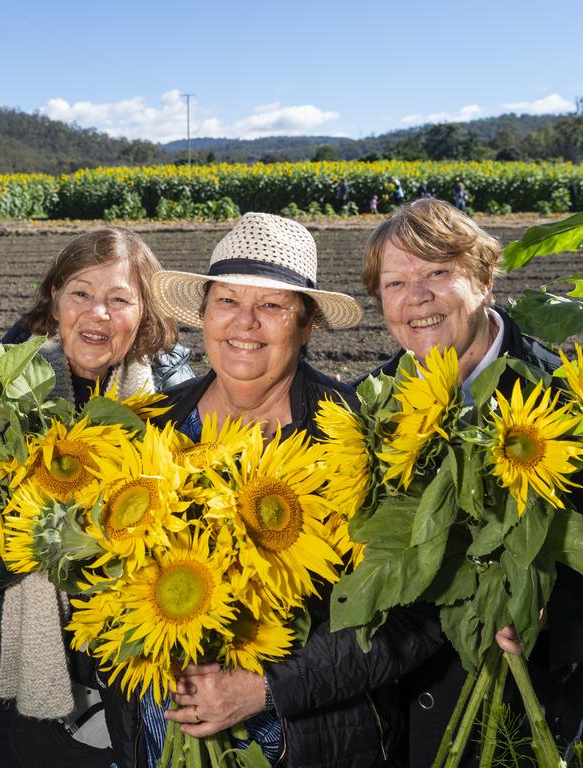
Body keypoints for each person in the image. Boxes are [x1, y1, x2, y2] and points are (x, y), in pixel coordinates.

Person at [98, 212, 443, 768]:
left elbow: (415, 616)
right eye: (228, 301)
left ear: (306, 325)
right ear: (204, 314)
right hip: (158, 739)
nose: (245, 323)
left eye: (273, 306)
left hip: (309, 744)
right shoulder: (153, 423)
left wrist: (264, 687)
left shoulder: (359, 438)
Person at [361, 197, 583, 765]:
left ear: (483, 278)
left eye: (436, 273)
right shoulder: (373, 406)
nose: (416, 297)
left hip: (536, 716)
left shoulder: (568, 397)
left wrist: (550, 612)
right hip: (411, 720)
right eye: (396, 283)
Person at [0, 228, 191, 767]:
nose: (97, 313)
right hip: (14, 663)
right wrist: (36, 546)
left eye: (120, 299)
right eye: (81, 292)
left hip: (133, 665)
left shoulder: (178, 398)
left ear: (144, 312)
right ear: (53, 298)